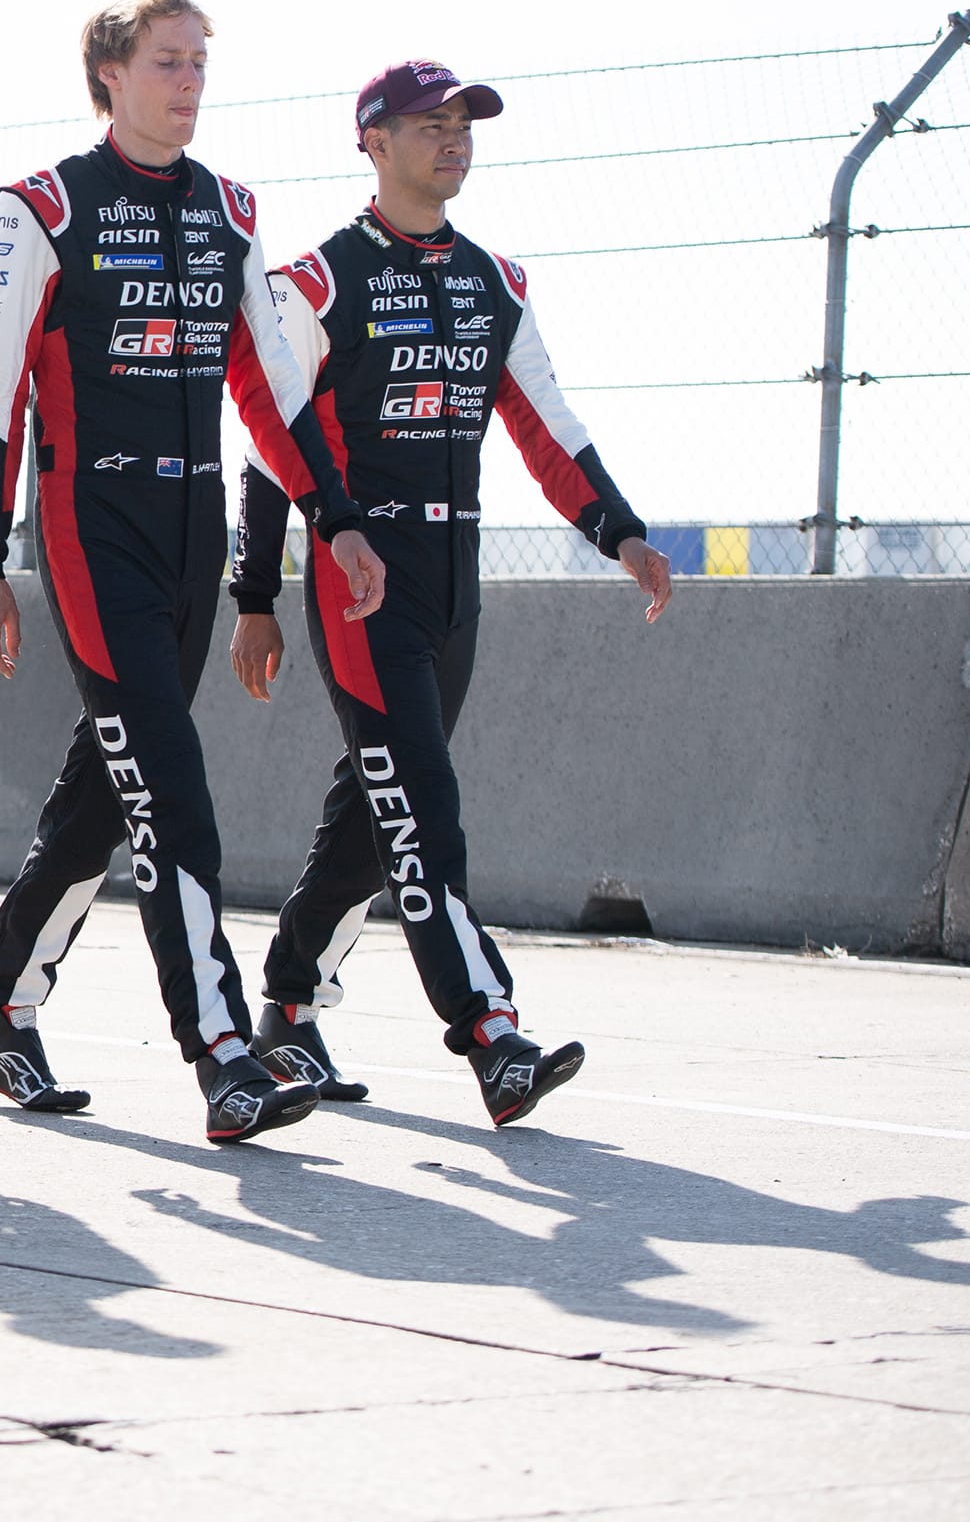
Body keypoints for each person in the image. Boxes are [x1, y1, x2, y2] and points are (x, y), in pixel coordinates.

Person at [0, 0, 388, 1144]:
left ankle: (0, 1012)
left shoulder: (230, 210)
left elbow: (272, 390)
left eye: (200, 62)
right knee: (173, 791)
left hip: (194, 530)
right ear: (110, 75)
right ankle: (224, 1053)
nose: (189, 81)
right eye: (166, 61)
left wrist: (335, 517)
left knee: (111, 787)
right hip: (91, 530)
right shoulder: (43, 205)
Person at [229, 60, 671, 1127]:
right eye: (431, 124)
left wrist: (619, 530)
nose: (455, 138)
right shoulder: (315, 281)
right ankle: (490, 1031)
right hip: (360, 581)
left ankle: (287, 1004)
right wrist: (255, 594)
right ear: (374, 142)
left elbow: (547, 424)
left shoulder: (495, 282)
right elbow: (272, 443)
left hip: (455, 578)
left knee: (376, 811)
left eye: (464, 123)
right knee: (423, 807)